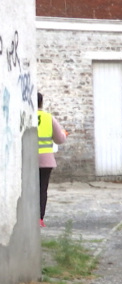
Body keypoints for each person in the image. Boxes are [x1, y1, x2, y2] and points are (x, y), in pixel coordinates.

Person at [37, 92, 68, 228]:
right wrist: (64, 134)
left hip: (26, 160)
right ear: (41, 103)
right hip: (45, 160)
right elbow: (59, 139)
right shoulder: (48, 117)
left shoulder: (23, 116)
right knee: (42, 189)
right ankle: (39, 219)